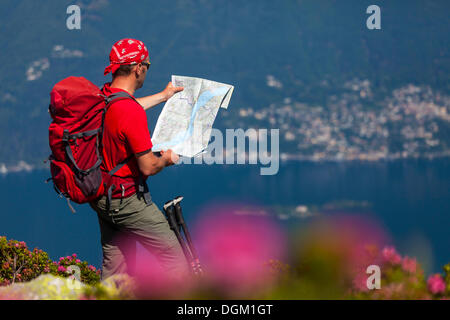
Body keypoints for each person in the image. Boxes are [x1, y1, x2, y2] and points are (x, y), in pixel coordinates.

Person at [89, 38, 188, 280]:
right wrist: (168, 159)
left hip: (103, 195)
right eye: (147, 65)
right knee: (175, 260)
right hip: (127, 200)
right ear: (138, 68)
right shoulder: (130, 112)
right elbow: (148, 165)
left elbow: (125, 109)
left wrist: (164, 96)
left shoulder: (105, 96)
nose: (146, 70)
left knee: (116, 268)